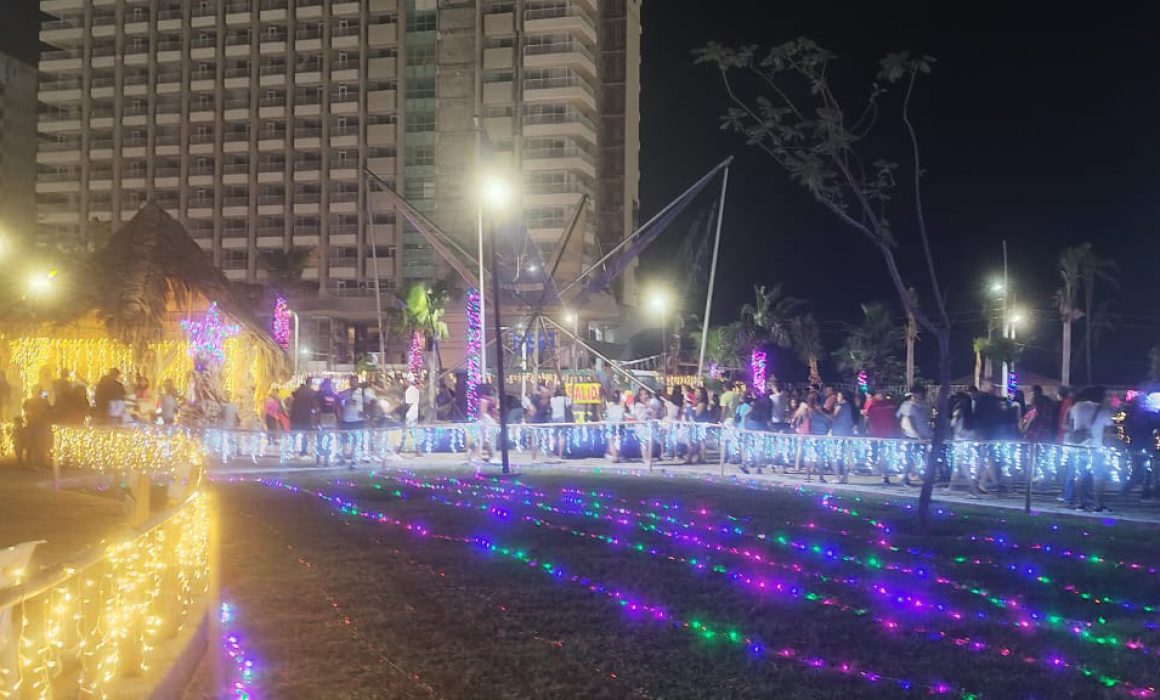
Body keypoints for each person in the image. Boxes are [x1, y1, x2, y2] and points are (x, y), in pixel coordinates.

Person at [1065, 386, 1114, 512]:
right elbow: (1108, 432)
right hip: (1095, 447)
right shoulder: (1104, 411)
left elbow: (1070, 426)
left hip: (1078, 447)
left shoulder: (1076, 407)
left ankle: (1080, 504)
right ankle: (1098, 505)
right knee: (1098, 477)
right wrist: (1109, 449)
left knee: (1079, 476)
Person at [896, 386, 932, 486]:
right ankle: (905, 477)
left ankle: (919, 474)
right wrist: (918, 435)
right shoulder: (908, 405)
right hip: (911, 435)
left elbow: (928, 418)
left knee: (922, 457)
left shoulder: (925, 404)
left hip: (925, 435)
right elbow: (908, 420)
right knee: (909, 457)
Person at [22, 389, 53, 469]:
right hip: (36, 425)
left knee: (36, 444)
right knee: (36, 444)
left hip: (36, 424)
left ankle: (35, 462)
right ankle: (36, 462)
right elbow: (49, 411)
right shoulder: (42, 402)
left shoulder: (29, 401)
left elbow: (26, 410)